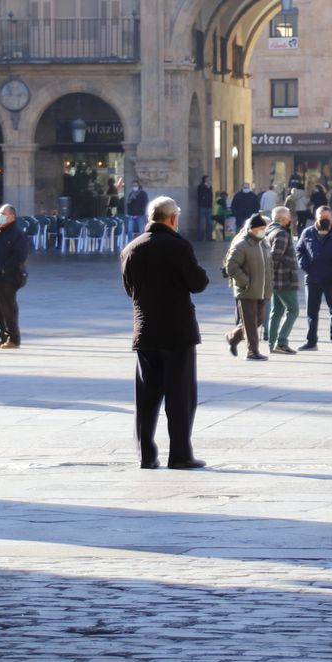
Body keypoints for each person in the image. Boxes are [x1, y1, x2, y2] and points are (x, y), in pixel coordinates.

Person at [121, 196, 209, 469]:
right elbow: (197, 283)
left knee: (146, 397)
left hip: (145, 332)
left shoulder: (131, 249)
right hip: (177, 332)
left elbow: (129, 288)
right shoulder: (178, 246)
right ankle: (180, 455)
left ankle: (146, 456)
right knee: (179, 397)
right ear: (172, 218)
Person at [296, 205, 332, 350]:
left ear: (331, 217)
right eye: (321, 217)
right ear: (316, 217)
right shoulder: (308, 232)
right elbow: (299, 251)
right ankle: (311, 342)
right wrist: (306, 266)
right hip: (312, 278)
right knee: (311, 312)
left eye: (327, 217)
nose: (324, 219)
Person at [0, 203, 30, 349]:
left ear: (12, 217)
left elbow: (20, 255)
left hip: (7, 277)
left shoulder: (17, 234)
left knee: (7, 308)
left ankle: (14, 339)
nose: (0, 216)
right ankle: (3, 336)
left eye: (4, 214)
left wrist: (4, 269)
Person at [223, 213, 271, 361]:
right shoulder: (241, 244)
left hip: (262, 289)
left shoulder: (263, 243)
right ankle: (252, 351)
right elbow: (230, 266)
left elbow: (268, 265)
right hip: (246, 290)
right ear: (252, 229)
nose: (264, 230)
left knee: (259, 319)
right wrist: (245, 282)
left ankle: (233, 337)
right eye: (261, 228)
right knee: (250, 322)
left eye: (265, 228)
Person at [263, 206, 300, 356]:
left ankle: (272, 344)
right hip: (284, 279)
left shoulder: (269, 232)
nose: (291, 218)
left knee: (277, 311)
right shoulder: (281, 233)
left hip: (276, 279)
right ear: (283, 219)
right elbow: (275, 257)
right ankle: (281, 342)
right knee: (293, 309)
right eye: (289, 216)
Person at [195, 176, 213, 242]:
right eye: (207, 179)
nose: (208, 180)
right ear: (204, 180)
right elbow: (201, 195)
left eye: (209, 179)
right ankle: (199, 237)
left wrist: (211, 205)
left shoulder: (210, 187)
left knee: (210, 222)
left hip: (208, 207)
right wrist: (206, 188)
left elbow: (211, 196)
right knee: (200, 222)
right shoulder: (200, 187)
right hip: (202, 206)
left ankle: (209, 237)